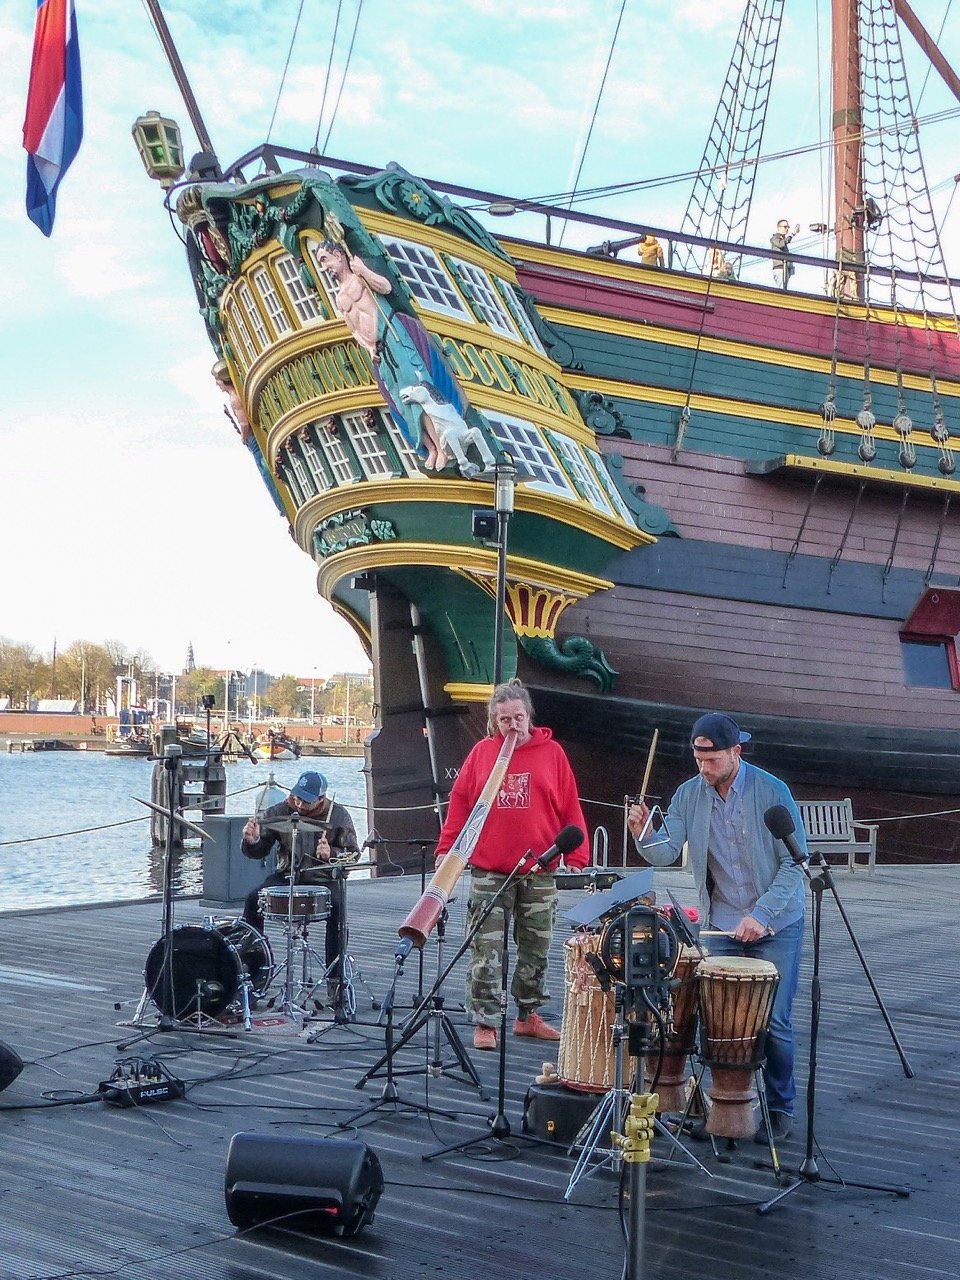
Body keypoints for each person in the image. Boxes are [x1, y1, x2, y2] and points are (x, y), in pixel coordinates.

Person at [627, 712, 807, 1142]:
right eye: (698, 759)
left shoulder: (772, 791)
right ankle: (724, 1104)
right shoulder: (690, 794)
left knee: (775, 1022)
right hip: (722, 923)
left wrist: (761, 915)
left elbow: (794, 865)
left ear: (735, 753)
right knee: (717, 1022)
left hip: (777, 921)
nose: (703, 768)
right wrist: (642, 832)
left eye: (711, 760)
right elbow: (665, 852)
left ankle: (781, 1107)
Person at [434, 680, 589, 1051]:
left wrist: (576, 857)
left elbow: (570, 805)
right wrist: (446, 849)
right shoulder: (482, 753)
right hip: (490, 868)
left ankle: (528, 1016)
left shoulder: (552, 753)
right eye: (504, 719)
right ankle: (486, 1021)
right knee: (486, 948)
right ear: (494, 721)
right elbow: (460, 805)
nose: (512, 725)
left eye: (518, 717)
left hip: (540, 868)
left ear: (529, 715)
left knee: (536, 946)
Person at [240, 770, 359, 989]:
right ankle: (255, 972)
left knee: (338, 909)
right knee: (252, 899)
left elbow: (353, 855)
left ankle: (335, 979)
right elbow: (258, 852)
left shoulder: (339, 815)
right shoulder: (279, 811)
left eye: (306, 800)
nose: (299, 803)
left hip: (323, 877)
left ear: (321, 799)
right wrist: (253, 840)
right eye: (297, 796)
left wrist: (331, 853)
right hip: (288, 874)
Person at [770, 219, 800, 290]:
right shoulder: (775, 238)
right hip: (780, 268)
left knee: (784, 288)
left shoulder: (781, 239)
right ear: (779, 228)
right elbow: (781, 244)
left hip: (784, 268)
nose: (787, 229)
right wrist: (792, 234)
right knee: (782, 289)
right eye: (785, 227)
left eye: (788, 227)